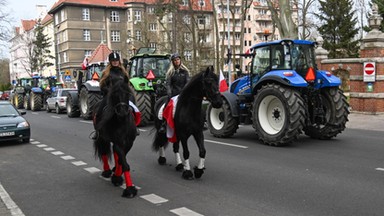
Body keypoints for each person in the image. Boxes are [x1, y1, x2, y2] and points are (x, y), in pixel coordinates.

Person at [91, 52, 138, 140]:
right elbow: (102, 86)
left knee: (134, 109)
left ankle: (134, 127)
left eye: (116, 60)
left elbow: (126, 85)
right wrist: (110, 92)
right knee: (99, 111)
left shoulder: (123, 73)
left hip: (122, 96)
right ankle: (97, 130)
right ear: (110, 62)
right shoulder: (106, 73)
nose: (115, 62)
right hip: (109, 96)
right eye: (113, 61)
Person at [158, 53, 190, 133]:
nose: (177, 61)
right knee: (167, 105)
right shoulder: (170, 73)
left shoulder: (185, 71)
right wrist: (169, 93)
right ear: (172, 62)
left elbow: (188, 82)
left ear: (180, 60)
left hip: (184, 93)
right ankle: (164, 123)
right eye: (175, 60)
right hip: (174, 94)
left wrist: (185, 92)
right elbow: (168, 84)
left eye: (178, 59)